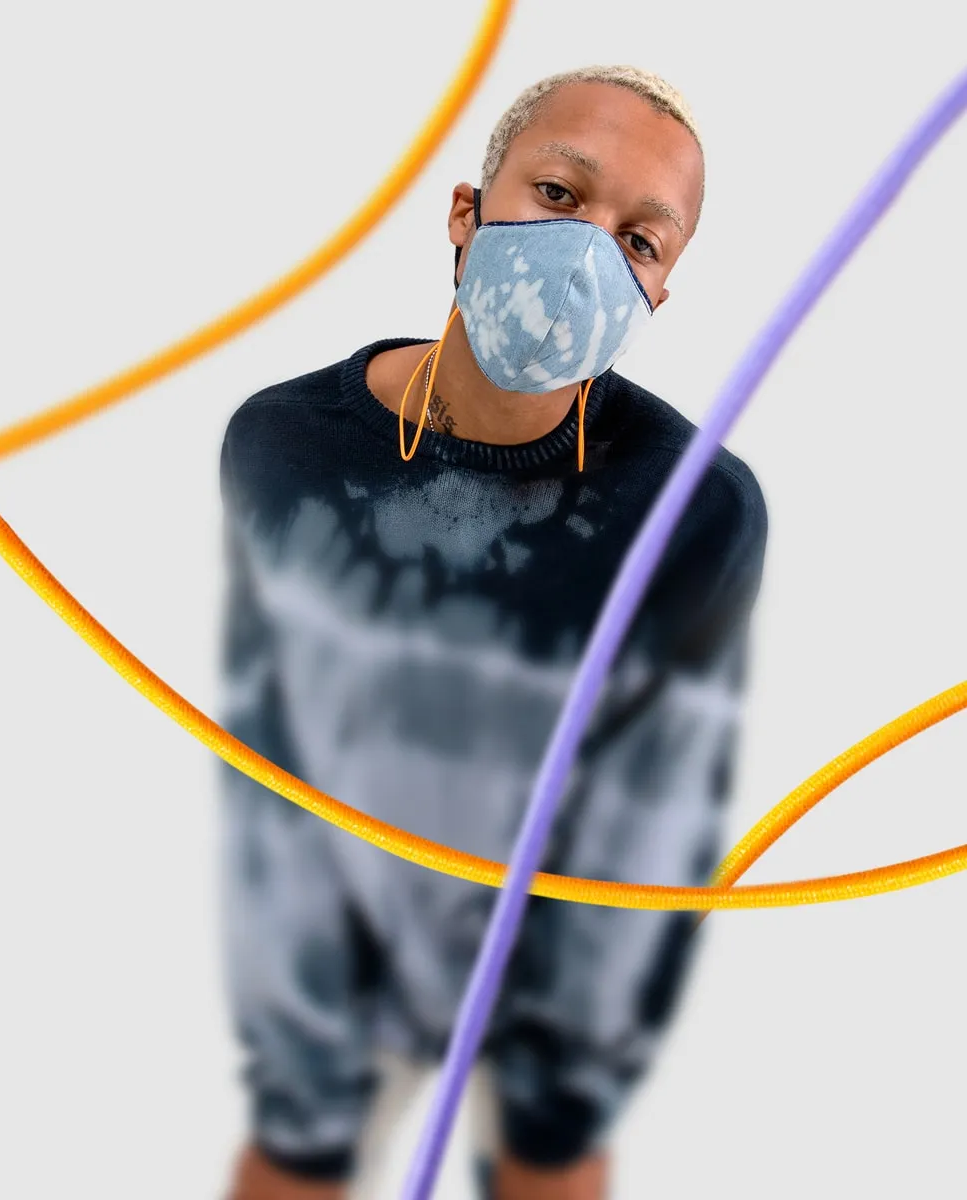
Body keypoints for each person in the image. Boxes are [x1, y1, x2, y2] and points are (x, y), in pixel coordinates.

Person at [217, 64, 767, 1200]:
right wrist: (299, 1037)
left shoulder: (697, 511)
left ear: (657, 296)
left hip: (551, 965)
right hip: (329, 953)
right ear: (466, 214)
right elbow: (271, 743)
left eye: (640, 241)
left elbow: (658, 805)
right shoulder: (278, 447)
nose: (588, 252)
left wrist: (569, 1084)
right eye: (559, 195)